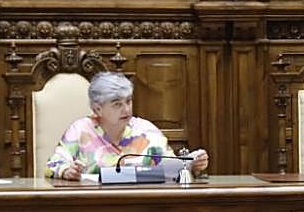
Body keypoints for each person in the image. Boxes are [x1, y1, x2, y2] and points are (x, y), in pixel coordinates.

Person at [46, 72, 208, 180]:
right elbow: (52, 165)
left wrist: (192, 164)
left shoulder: (146, 130)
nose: (126, 109)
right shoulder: (81, 129)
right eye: (117, 104)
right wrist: (67, 171)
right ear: (97, 109)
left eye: (128, 101)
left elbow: (173, 167)